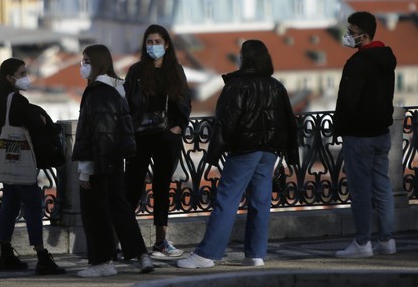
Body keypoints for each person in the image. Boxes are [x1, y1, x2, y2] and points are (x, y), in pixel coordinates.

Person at [177, 39, 299, 269]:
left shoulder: (237, 84)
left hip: (245, 149)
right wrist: (289, 153)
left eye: (241, 54)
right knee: (260, 201)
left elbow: (227, 122)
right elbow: (288, 121)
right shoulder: (275, 85)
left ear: (246, 58)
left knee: (227, 198)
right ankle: (255, 254)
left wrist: (214, 153)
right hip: (270, 150)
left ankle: (207, 254)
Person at [72, 44, 155, 278]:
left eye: (87, 60)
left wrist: (87, 169)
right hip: (117, 159)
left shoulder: (98, 92)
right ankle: (141, 255)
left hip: (101, 159)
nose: (83, 65)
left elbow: (98, 132)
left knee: (95, 213)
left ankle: (102, 261)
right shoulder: (118, 88)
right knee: (120, 209)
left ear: (97, 62)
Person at [0, 57, 66, 275]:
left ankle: (6, 253)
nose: (26, 77)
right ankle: (41, 256)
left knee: (9, 205)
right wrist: (44, 120)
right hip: (21, 163)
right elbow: (37, 124)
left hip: (8, 161)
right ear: (10, 78)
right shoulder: (16, 101)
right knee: (33, 206)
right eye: (22, 74)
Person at [332, 11, 398, 258]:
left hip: (359, 134)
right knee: (382, 187)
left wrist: (340, 128)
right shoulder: (386, 59)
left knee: (360, 191)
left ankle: (362, 243)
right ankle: (387, 240)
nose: (348, 36)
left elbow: (348, 101)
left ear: (364, 35)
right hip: (381, 132)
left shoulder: (358, 63)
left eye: (351, 32)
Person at [124, 24, 192, 259]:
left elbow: (184, 101)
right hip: (140, 137)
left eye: (157, 42)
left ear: (167, 45)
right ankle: (124, 241)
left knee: (162, 187)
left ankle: (161, 241)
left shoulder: (175, 70)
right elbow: (127, 104)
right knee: (132, 188)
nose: (153, 46)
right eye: (149, 42)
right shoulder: (136, 71)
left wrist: (178, 128)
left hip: (166, 138)